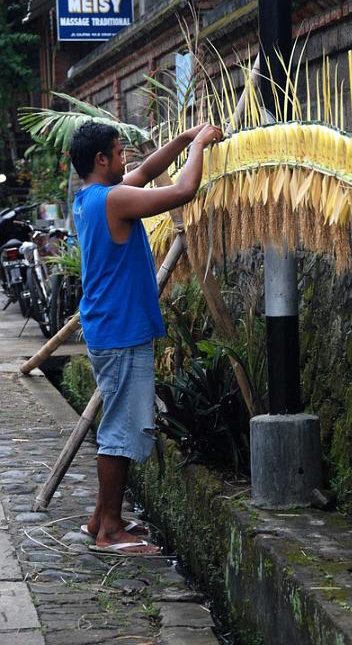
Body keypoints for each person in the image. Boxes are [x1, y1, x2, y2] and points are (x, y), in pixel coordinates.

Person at [70, 120, 222, 554]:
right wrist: (201, 148)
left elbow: (147, 170)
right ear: (101, 160)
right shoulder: (115, 199)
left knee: (117, 422)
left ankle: (100, 518)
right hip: (120, 332)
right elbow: (182, 191)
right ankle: (110, 532)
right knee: (120, 430)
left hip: (111, 326)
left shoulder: (91, 198)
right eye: (119, 154)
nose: (126, 161)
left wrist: (182, 139)